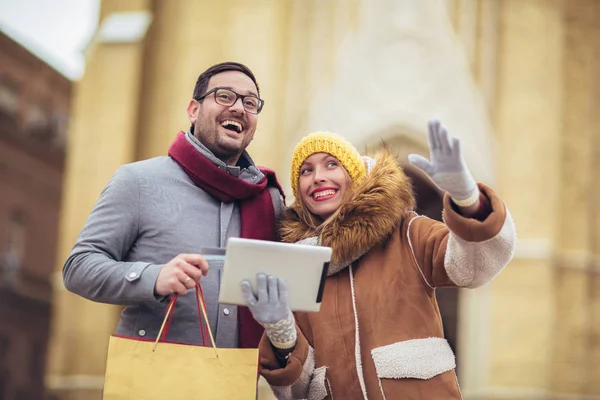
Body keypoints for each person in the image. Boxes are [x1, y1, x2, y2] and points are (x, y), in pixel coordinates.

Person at [242, 121, 516, 399]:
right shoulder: (299, 264)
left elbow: (475, 267)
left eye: (331, 165)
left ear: (355, 175)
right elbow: (297, 391)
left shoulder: (406, 232)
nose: (317, 177)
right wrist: (281, 329)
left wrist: (467, 199)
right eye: (306, 171)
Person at [63, 61, 285, 349]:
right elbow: (78, 268)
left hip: (237, 382)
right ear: (194, 110)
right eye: (225, 96)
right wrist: (154, 278)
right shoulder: (139, 181)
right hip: (152, 381)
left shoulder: (269, 199)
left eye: (250, 102)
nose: (239, 108)